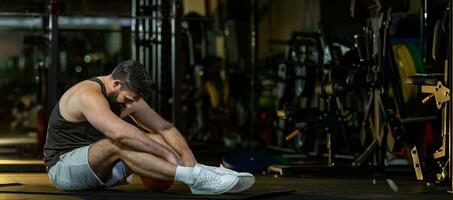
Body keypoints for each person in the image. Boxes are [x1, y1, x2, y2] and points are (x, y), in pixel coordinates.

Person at [43, 60, 254, 194]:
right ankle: (196, 177)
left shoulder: (124, 95)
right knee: (118, 142)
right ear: (116, 84)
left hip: (101, 171)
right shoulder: (87, 94)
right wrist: (166, 154)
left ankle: (198, 177)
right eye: (127, 99)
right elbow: (118, 132)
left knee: (157, 138)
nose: (128, 105)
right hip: (64, 169)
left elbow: (165, 127)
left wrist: (187, 156)